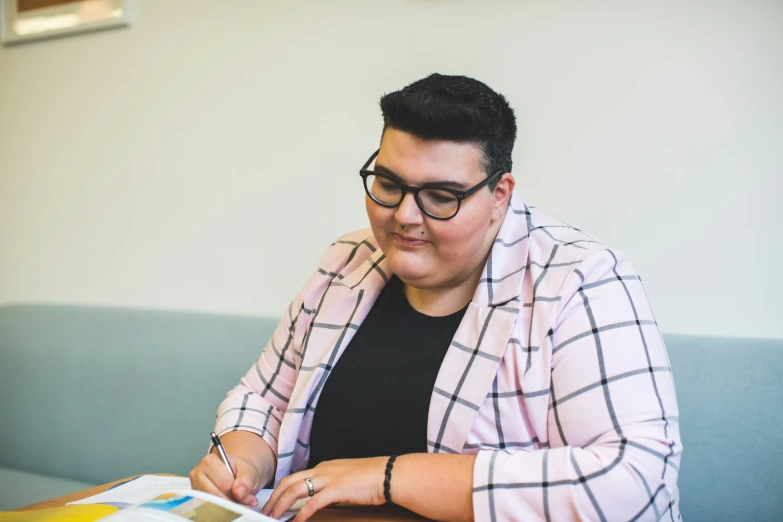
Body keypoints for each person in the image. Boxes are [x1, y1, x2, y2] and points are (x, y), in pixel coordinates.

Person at [189, 73, 682, 522]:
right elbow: (264, 399)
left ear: (500, 195)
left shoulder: (580, 280)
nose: (404, 215)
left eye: (441, 197)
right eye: (389, 184)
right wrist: (243, 460)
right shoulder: (346, 262)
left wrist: (387, 478)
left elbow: (634, 481)